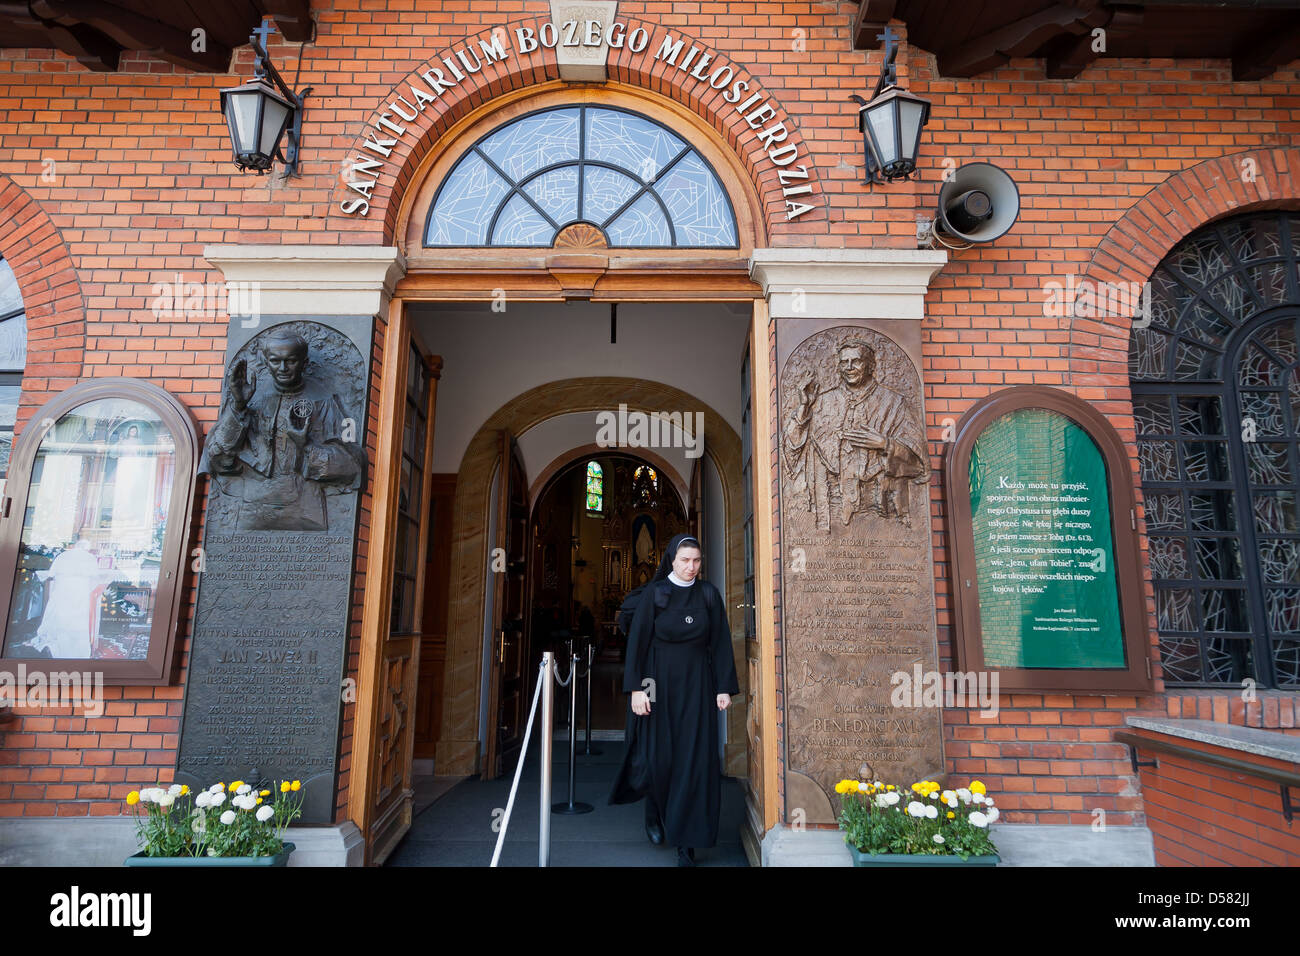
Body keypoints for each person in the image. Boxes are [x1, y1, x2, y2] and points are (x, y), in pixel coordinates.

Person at [609, 532, 740, 866]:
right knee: (658, 757)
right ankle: (654, 809)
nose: (691, 567)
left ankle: (687, 841)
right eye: (685, 560)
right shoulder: (656, 594)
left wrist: (722, 687)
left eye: (696, 561)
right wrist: (637, 690)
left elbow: (721, 643)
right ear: (671, 560)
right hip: (656, 681)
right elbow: (637, 644)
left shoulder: (708, 594)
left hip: (697, 685)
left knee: (694, 761)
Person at [202, 328, 364, 531]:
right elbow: (217, 458)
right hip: (251, 509)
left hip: (305, 509)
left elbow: (351, 464)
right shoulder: (250, 400)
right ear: (265, 361)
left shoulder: (324, 401)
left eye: (291, 361)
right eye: (275, 361)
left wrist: (304, 447)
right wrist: (238, 407)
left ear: (304, 363)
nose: (283, 368)